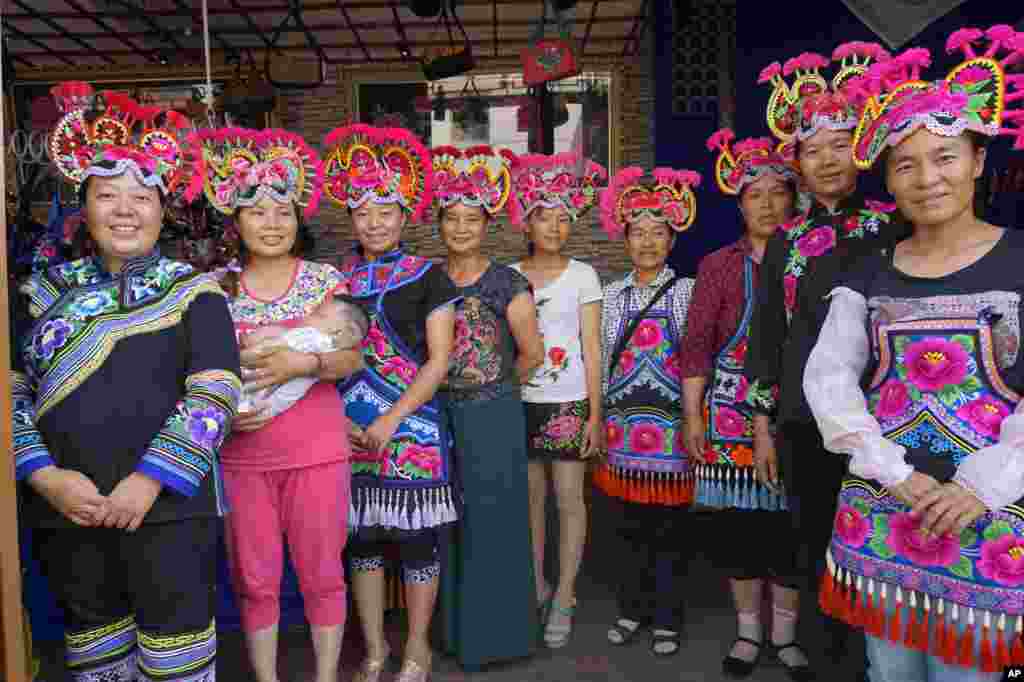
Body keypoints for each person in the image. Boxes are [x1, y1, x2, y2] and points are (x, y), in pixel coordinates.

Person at [804, 27, 1024, 682]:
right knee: (888, 669)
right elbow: (830, 381)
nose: (927, 178)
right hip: (885, 510)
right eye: (906, 163)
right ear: (888, 179)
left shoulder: (1020, 259)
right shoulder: (868, 274)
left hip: (988, 518)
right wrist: (891, 471)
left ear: (979, 160)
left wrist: (982, 486)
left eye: (946, 157)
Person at [12, 83, 240, 681]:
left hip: (168, 510)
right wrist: (45, 475)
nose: (124, 210)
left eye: (141, 197)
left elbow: (215, 391)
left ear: (163, 211)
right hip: (70, 510)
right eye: (107, 195)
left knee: (176, 660)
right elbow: (10, 393)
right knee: (97, 659)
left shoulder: (196, 291)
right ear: (83, 207)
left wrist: (149, 480)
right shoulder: (39, 294)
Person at [184, 127, 365, 682]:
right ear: (235, 222)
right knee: (255, 579)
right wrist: (221, 407)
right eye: (257, 211)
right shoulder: (213, 288)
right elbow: (193, 372)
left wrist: (304, 364)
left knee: (321, 575)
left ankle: (326, 677)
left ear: (297, 220)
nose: (270, 223)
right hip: (241, 458)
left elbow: (354, 360)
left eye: (282, 211)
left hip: (316, 454)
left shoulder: (324, 281)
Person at [743, 41, 899, 672]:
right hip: (805, 424)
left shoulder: (895, 225)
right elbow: (767, 335)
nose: (828, 159)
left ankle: (882, 661)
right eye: (814, 149)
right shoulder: (785, 240)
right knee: (815, 543)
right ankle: (831, 660)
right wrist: (762, 425)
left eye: (840, 143)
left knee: (885, 545)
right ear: (797, 164)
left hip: (889, 420)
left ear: (861, 149)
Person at [321, 124, 457, 682]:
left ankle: (417, 647)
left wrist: (390, 419)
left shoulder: (430, 277)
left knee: (418, 542)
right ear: (350, 218)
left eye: (386, 210)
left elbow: (439, 361)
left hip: (413, 427)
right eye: (363, 212)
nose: (374, 222)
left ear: (405, 215)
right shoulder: (334, 279)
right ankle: (375, 648)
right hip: (346, 430)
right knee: (362, 545)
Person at [681, 131, 810, 679]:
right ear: (738, 204)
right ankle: (747, 633)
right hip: (729, 414)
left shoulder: (811, 258)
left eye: (777, 192)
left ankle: (785, 636)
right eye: (754, 194)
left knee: (789, 532)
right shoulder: (718, 265)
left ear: (793, 199)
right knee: (739, 533)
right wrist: (692, 414)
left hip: (798, 410)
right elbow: (696, 345)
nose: (766, 204)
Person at [430, 145, 546, 670]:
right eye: (451, 218)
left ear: (487, 224)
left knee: (495, 523)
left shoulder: (507, 282)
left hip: (494, 417)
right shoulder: (428, 281)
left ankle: (501, 637)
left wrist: (493, 389)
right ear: (439, 223)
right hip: (438, 417)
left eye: (471, 219)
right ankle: (454, 633)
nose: (460, 228)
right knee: (450, 522)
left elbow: (533, 355)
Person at [593, 166, 699, 657]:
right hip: (621, 431)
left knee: (669, 531)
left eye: (660, 232)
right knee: (627, 528)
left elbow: (699, 360)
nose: (649, 242)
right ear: (625, 238)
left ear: (672, 240)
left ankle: (668, 618)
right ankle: (631, 609)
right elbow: (600, 356)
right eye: (639, 232)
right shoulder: (612, 294)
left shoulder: (687, 291)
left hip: (672, 433)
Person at [509, 152, 607, 648]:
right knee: (529, 501)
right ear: (525, 220)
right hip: (518, 402)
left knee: (569, 500)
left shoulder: (583, 276)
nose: (555, 226)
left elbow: (593, 350)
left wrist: (596, 412)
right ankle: (536, 585)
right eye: (544, 216)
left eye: (564, 217)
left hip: (568, 402)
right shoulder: (507, 274)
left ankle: (565, 594)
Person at [237, 298, 367, 416]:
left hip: (247, 381)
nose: (307, 316)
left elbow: (265, 348)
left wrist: (250, 347)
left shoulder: (313, 337)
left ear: (339, 333)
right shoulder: (321, 349)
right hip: (258, 401)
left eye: (318, 314)